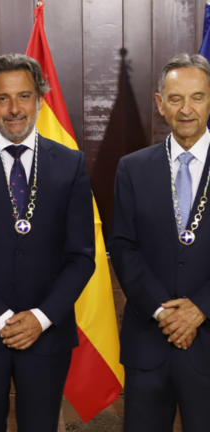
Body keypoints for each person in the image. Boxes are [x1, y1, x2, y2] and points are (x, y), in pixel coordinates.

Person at [0, 53, 95, 432]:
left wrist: (39, 319)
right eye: (3, 98)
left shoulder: (71, 164)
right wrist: (1, 318)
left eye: (24, 96)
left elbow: (82, 257)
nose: (14, 109)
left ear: (40, 99)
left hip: (46, 335)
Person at [109, 53, 210, 432]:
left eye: (197, 97)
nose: (186, 110)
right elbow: (122, 246)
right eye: (175, 98)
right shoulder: (132, 168)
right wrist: (164, 313)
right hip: (149, 341)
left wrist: (199, 308)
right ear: (159, 103)